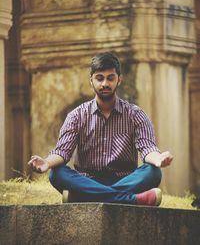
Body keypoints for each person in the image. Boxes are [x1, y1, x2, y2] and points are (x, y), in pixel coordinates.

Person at [28, 52, 173, 206]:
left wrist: (157, 159)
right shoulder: (77, 116)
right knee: (56, 174)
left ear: (119, 80)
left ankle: (83, 198)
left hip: (125, 179)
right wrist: (47, 163)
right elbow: (62, 151)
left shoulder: (135, 114)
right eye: (99, 78)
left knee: (153, 172)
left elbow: (147, 147)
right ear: (91, 80)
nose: (105, 83)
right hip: (86, 181)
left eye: (110, 78)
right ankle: (132, 200)